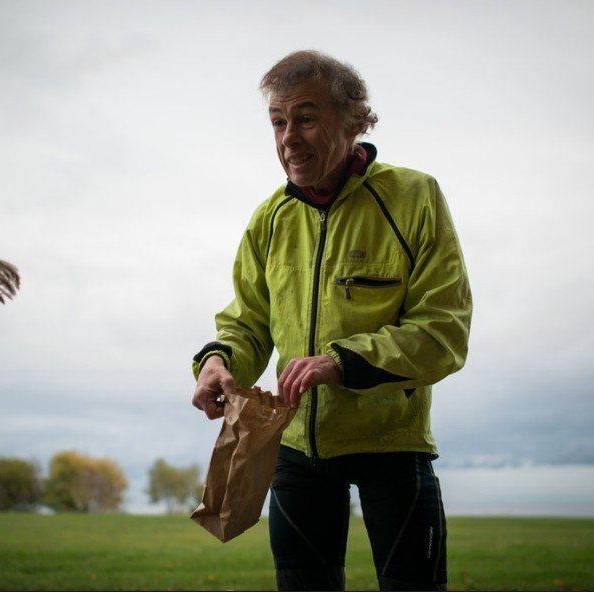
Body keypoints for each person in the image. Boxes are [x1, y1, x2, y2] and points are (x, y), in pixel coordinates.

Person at [191, 49, 472, 591]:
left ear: (354, 122)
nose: (288, 137)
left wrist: (342, 362)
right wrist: (218, 361)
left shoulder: (415, 197)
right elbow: (247, 322)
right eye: (278, 122)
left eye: (307, 117)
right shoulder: (270, 217)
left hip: (392, 444)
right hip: (295, 448)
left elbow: (444, 331)